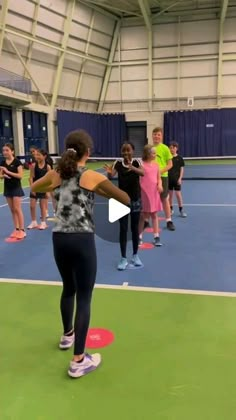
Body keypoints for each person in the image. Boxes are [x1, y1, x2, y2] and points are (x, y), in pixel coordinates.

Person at [31, 129, 130, 379]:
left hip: (59, 239)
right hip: (82, 240)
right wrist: (103, 188)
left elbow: (34, 186)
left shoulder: (57, 174)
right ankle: (78, 361)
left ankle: (67, 336)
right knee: (84, 297)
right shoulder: (90, 176)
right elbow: (125, 199)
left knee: (68, 288)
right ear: (87, 151)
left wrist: (52, 184)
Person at [104, 143, 144, 271]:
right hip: (121, 200)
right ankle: (123, 258)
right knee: (123, 229)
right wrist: (109, 174)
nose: (126, 153)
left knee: (135, 229)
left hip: (135, 200)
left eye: (128, 150)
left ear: (133, 151)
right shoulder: (118, 163)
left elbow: (143, 173)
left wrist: (132, 167)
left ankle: (135, 255)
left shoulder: (137, 162)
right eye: (123, 151)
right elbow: (111, 176)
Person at [0, 143, 26, 240]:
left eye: (7, 150)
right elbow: (0, 176)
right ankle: (16, 228)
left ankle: (22, 230)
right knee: (12, 210)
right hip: (7, 188)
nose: (4, 152)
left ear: (12, 151)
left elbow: (20, 176)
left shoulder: (17, 162)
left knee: (17, 209)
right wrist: (3, 175)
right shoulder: (2, 163)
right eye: (3, 150)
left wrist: (7, 171)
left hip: (16, 188)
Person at [139, 145, 163, 247]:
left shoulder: (157, 165)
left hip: (154, 193)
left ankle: (156, 237)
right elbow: (139, 180)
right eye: (153, 153)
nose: (155, 154)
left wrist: (160, 185)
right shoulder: (141, 165)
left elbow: (159, 178)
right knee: (143, 216)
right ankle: (139, 237)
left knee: (154, 215)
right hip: (144, 194)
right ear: (148, 154)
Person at [152, 127, 175, 231]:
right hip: (151, 178)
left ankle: (169, 221)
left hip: (163, 177)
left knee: (164, 199)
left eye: (158, 134)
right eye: (155, 134)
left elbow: (170, 164)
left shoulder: (165, 148)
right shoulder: (149, 148)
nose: (156, 136)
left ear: (161, 136)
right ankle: (148, 221)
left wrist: (159, 172)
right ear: (152, 135)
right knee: (151, 200)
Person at [28, 149, 51, 230]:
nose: (37, 156)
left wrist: (48, 191)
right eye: (36, 155)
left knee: (43, 206)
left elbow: (50, 180)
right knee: (32, 206)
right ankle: (34, 222)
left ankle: (43, 223)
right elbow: (31, 178)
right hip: (35, 188)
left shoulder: (48, 167)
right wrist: (32, 188)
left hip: (43, 188)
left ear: (44, 156)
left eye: (39, 155)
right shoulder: (33, 165)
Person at [168, 142, 187, 218]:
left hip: (177, 180)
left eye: (173, 148)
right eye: (170, 148)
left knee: (178, 195)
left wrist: (180, 178)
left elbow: (181, 170)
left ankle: (181, 210)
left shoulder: (180, 158)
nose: (171, 149)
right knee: (170, 195)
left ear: (176, 148)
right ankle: (170, 209)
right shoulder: (168, 158)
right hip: (169, 180)